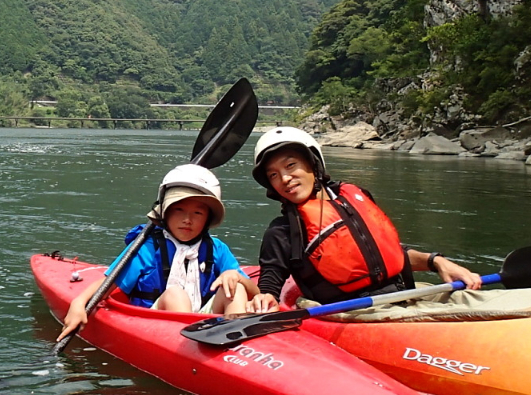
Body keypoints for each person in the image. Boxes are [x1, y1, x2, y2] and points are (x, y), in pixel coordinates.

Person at [252, 126, 483, 305]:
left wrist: (436, 261)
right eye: (273, 175)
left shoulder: (356, 197)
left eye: (291, 165)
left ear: (313, 164)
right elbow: (270, 283)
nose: (284, 179)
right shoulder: (281, 231)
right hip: (357, 313)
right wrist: (266, 298)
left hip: (404, 295)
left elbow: (386, 254)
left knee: (481, 302)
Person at [56, 164, 271, 339]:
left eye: (197, 212)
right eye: (179, 210)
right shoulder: (146, 247)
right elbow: (108, 283)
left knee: (234, 288)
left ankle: (237, 342)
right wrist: (78, 303)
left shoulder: (217, 249)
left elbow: (255, 293)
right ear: (165, 212)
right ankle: (190, 347)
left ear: (208, 219)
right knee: (176, 293)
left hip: (206, 326)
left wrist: (238, 279)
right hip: (159, 324)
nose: (188, 219)